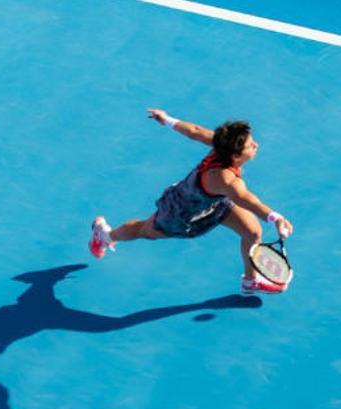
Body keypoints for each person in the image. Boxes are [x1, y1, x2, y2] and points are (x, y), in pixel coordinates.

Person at [89, 109, 294, 294]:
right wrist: (275, 218)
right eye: (251, 145)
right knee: (143, 231)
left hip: (214, 204)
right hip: (179, 213)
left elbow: (194, 131)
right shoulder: (228, 181)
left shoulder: (220, 145)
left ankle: (250, 281)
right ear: (235, 155)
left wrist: (167, 119)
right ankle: (106, 235)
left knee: (253, 232)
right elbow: (247, 199)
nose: (256, 145)